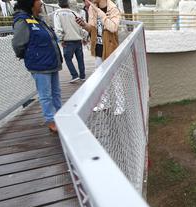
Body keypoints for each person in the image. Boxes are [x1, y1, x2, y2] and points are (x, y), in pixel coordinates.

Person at [12, 0, 63, 133]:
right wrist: (32, 55)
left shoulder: (38, 19)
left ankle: (60, 115)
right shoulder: (23, 20)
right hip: (40, 65)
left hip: (51, 62)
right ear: (31, 3)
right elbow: (18, 44)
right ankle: (51, 121)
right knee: (45, 95)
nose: (41, 3)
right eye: (38, 1)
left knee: (56, 93)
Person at [75, 0, 120, 68]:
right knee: (99, 73)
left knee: (112, 75)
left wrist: (99, 11)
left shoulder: (113, 8)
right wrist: (84, 24)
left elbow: (113, 28)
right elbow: (91, 28)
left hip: (110, 48)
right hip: (98, 47)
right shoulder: (92, 8)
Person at [54, 0, 86, 83]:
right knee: (80, 59)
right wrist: (84, 37)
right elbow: (81, 27)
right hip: (78, 40)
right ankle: (82, 76)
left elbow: (58, 28)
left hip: (67, 41)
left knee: (68, 59)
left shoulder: (57, 13)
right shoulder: (75, 13)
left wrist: (61, 39)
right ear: (68, 4)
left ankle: (74, 75)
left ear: (59, 4)